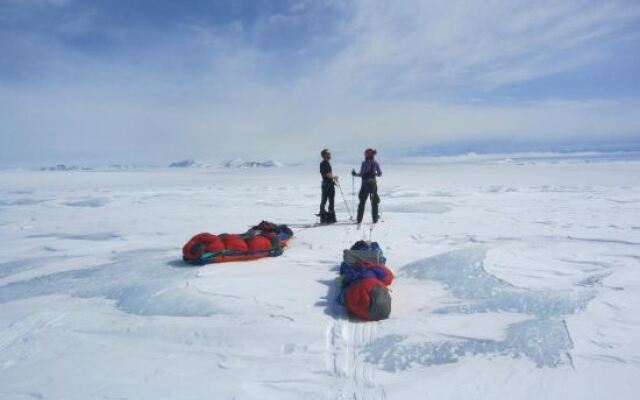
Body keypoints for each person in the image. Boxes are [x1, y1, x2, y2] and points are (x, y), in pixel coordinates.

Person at [351, 148, 382, 226]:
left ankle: (359, 219)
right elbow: (380, 173)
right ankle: (375, 219)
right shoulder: (375, 163)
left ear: (367, 155)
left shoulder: (364, 163)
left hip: (364, 184)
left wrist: (354, 174)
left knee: (362, 202)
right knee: (374, 202)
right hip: (373, 184)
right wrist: (375, 174)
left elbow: (361, 174)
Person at [319, 148, 338, 223]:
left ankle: (329, 217)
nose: (330, 155)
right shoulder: (324, 163)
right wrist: (334, 177)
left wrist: (333, 178)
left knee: (330, 200)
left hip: (329, 183)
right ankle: (325, 217)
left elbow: (328, 174)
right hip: (326, 184)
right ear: (324, 155)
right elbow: (326, 174)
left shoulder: (326, 163)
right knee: (325, 200)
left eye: (329, 154)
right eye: (328, 154)